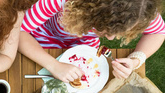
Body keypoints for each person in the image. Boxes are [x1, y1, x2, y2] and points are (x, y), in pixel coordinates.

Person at [18, 0, 165, 82]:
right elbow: (19, 32)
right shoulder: (61, 1)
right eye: (103, 29)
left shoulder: (138, 9)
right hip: (41, 36)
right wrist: (53, 65)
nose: (110, 38)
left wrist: (135, 60)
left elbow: (159, 32)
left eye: (117, 33)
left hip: (84, 44)